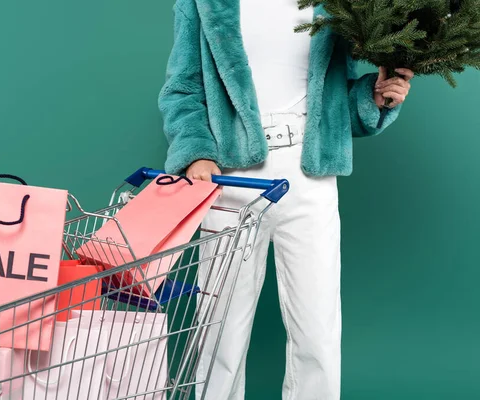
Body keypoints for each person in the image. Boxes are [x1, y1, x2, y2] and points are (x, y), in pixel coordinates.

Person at [158, 0, 413, 399]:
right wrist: (197, 153)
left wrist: (374, 97)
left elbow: (336, 101)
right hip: (231, 175)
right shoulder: (202, 4)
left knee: (318, 329)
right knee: (218, 327)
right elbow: (183, 89)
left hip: (310, 173)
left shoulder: (338, 5)